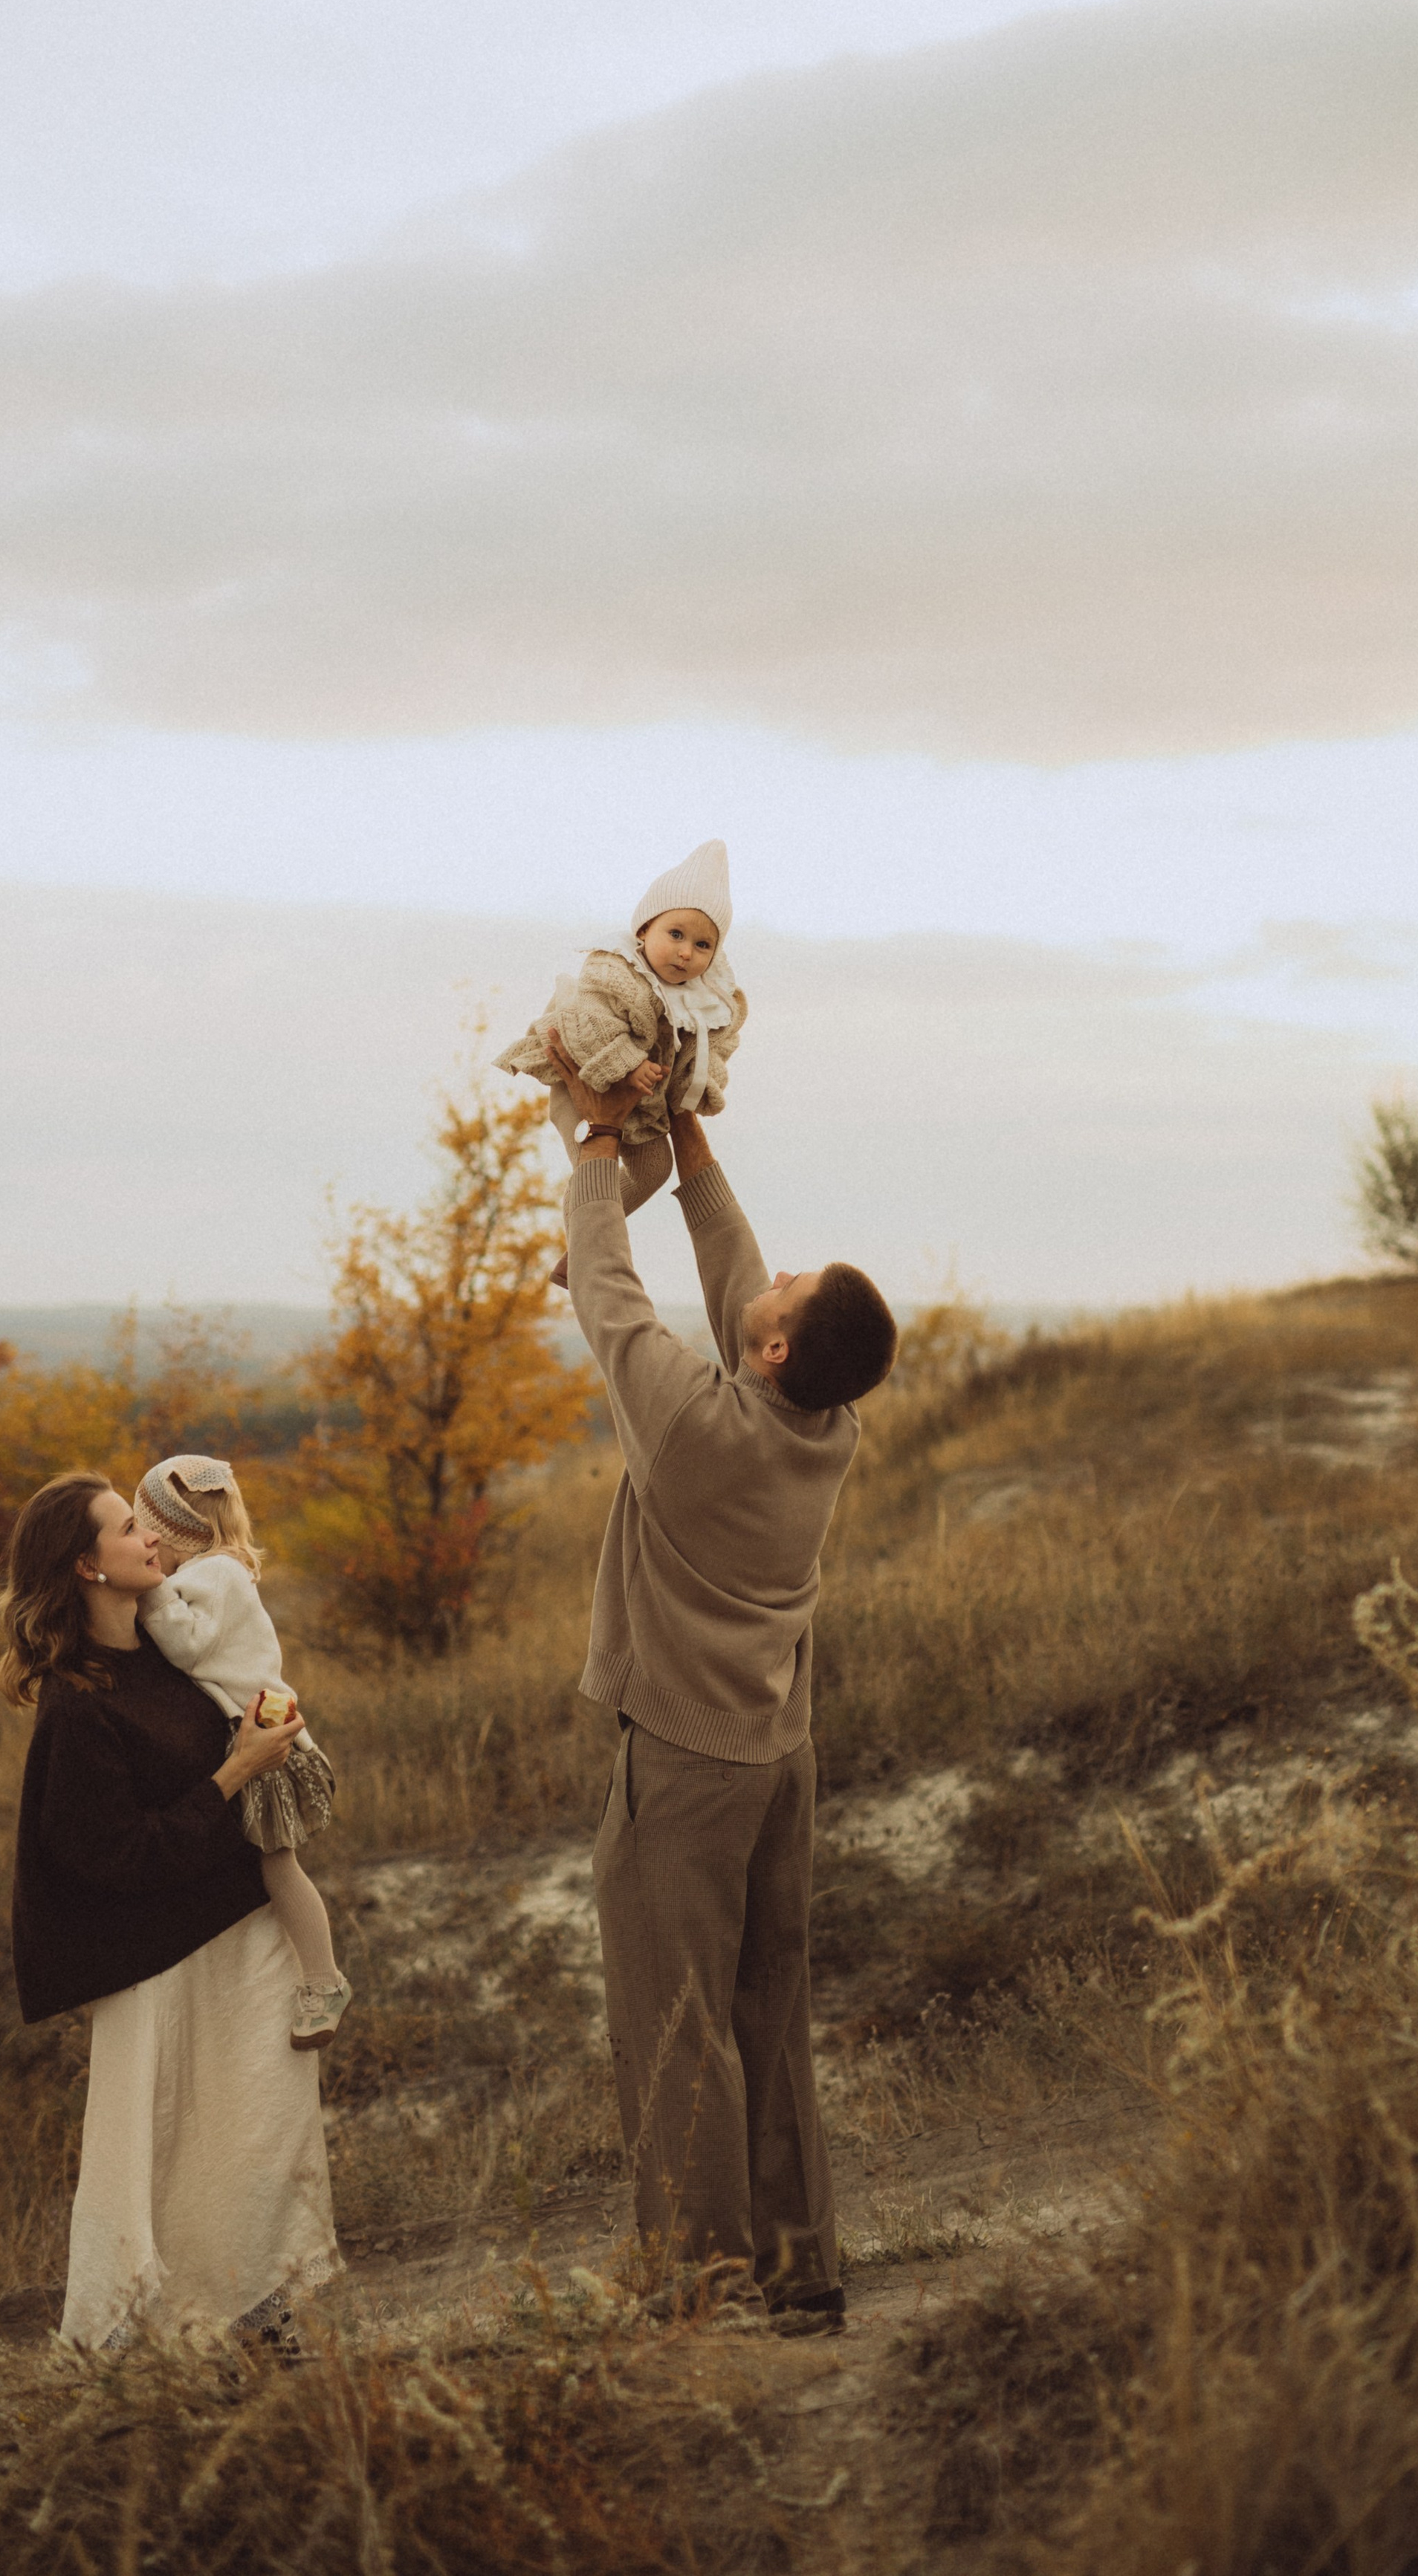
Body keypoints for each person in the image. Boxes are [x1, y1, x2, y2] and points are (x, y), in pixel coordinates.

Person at [544, 1026, 897, 2327]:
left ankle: (706, 2293)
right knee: (768, 2014)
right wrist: (686, 1129)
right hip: (779, 1757)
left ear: (774, 1354)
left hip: (688, 1767)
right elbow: (740, 1273)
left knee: (678, 2023)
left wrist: (599, 1139)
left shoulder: (695, 1432)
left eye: (795, 1291)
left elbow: (606, 1296)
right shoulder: (827, 1425)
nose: (779, 1274)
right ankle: (801, 2275)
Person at [1, 1472, 340, 2352]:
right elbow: (121, 1859)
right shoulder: (77, 1708)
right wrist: (237, 1771)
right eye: (127, 1529)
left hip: (244, 1937)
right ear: (87, 1566)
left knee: (261, 2138)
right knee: (156, 2164)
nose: (150, 1537)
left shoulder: (174, 1659)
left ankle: (258, 2328)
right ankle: (147, 2345)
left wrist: (269, 1738)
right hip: (156, 1966)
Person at [134, 1454, 352, 2052]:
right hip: (254, 1736)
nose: (146, 1549)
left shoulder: (215, 1575)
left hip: (263, 1741)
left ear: (177, 1535)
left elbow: (187, 1646)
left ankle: (324, 1981)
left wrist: (149, 1591)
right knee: (264, 1866)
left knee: (278, 1866)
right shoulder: (218, 1571)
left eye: (148, 1534)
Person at [493, 837, 745, 1285]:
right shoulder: (614, 971)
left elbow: (713, 1048)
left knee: (656, 1170)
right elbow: (589, 1023)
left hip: (637, 1104)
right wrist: (629, 1063)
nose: (686, 952)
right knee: (595, 1168)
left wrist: (699, 1083)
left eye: (703, 944)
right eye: (676, 935)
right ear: (644, 930)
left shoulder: (703, 1000)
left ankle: (579, 1246)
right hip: (579, 1079)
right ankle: (584, 1249)